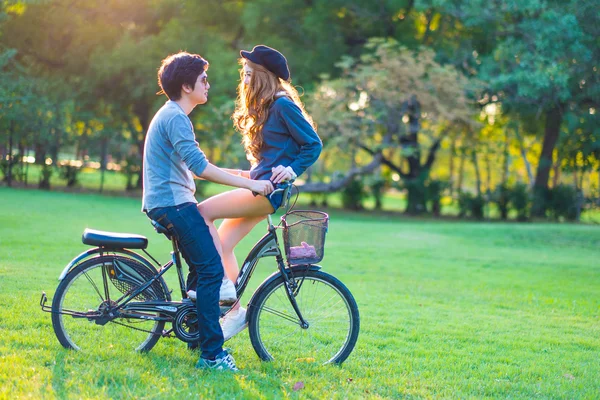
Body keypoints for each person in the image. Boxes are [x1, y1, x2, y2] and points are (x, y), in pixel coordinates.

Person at [141, 51, 274, 372]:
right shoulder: (175, 117)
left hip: (169, 204)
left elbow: (200, 165)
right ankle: (212, 355)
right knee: (214, 271)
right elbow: (201, 168)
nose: (208, 85)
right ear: (187, 86)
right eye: (203, 79)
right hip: (174, 205)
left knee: (201, 271)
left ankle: (196, 335)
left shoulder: (172, 115)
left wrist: (245, 176)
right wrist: (252, 187)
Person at [187, 45, 322, 341]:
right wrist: (236, 174)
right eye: (243, 73)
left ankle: (223, 287)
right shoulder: (266, 107)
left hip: (267, 193)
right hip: (260, 186)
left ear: (263, 76)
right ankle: (233, 311)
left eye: (249, 74)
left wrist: (292, 170)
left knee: (202, 213)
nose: (244, 80)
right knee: (221, 245)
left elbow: (313, 144)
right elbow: (268, 161)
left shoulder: (283, 105)